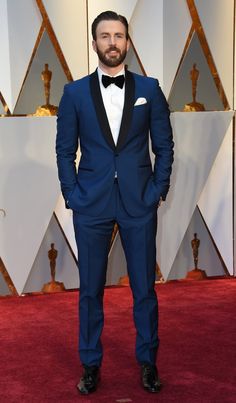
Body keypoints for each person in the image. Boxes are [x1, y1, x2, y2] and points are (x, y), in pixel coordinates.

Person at [56, 10, 174, 395]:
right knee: (90, 290)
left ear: (127, 41)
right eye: (104, 36)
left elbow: (164, 145)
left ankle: (148, 362)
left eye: (118, 35)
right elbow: (64, 151)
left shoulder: (150, 89)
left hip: (139, 202)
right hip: (91, 203)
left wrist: (158, 189)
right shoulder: (73, 94)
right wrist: (72, 194)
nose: (112, 42)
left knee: (144, 288)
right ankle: (90, 364)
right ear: (95, 44)